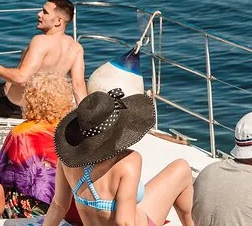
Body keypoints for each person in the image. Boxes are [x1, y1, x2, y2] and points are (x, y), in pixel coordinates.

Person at [42, 88, 194, 226]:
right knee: (182, 168)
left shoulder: (67, 161)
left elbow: (58, 206)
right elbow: (125, 222)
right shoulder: (128, 161)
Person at [0, 0, 86, 118]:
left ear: (58, 21)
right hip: (42, 108)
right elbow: (78, 86)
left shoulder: (41, 41)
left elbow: (22, 78)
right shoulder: (76, 47)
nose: (39, 14)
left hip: (12, 105)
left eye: (45, 12)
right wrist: (85, 117)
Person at [0, 71, 74, 218]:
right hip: (67, 201)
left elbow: (1, 173)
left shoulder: (20, 133)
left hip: (31, 206)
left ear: (30, 99)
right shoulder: (71, 130)